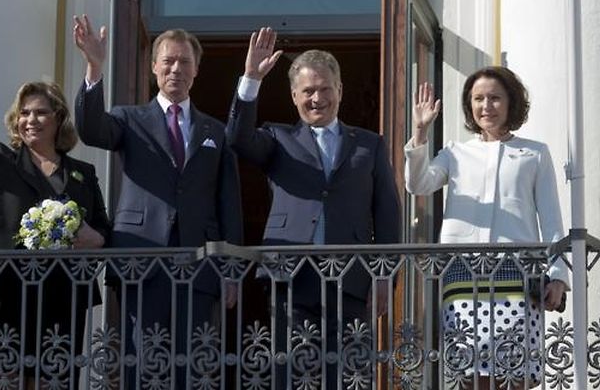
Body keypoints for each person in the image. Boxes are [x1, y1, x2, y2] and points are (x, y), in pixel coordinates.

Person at [72, 16, 243, 388]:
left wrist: (231, 269)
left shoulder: (215, 130)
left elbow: (228, 203)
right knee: (142, 364)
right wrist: (94, 66)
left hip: (200, 265)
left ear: (196, 70)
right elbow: (90, 129)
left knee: (193, 367)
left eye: (184, 61)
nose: (176, 69)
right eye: (168, 61)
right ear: (154, 68)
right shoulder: (129, 119)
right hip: (142, 262)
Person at [227, 27, 400, 385]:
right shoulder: (278, 138)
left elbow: (387, 214)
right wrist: (251, 79)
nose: (316, 98)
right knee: (293, 376)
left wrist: (385, 277)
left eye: (324, 88)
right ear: (294, 96)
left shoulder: (369, 144)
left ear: (340, 91)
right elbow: (238, 139)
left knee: (350, 377)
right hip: (292, 278)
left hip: (351, 279)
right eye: (308, 91)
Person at [0, 38, 110, 389]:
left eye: (40, 112)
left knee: (55, 379)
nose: (31, 120)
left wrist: (96, 238)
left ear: (58, 118)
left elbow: (103, 229)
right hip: (6, 288)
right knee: (6, 378)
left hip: (63, 291)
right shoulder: (0, 160)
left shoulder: (82, 173)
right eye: (24, 113)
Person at [406, 67, 568, 388]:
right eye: (478, 99)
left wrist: (559, 276)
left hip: (518, 273)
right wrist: (421, 132)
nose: (486, 106)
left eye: (495, 98)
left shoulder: (534, 153)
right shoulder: (455, 152)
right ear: (469, 106)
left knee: (516, 375)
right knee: (472, 377)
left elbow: (551, 219)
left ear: (511, 103)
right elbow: (418, 184)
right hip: (463, 274)